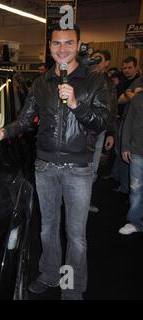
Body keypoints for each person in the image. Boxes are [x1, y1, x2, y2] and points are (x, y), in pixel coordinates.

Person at [0, 25, 109, 300]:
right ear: (50, 47)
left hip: (78, 169)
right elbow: (25, 120)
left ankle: (72, 287)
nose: (62, 48)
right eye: (57, 43)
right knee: (47, 228)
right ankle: (51, 274)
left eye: (68, 43)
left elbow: (103, 122)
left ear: (78, 45)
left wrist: (76, 103)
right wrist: (2, 133)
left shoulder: (95, 81)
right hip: (45, 167)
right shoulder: (41, 83)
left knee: (75, 235)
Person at [89, 50, 118, 213]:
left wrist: (111, 133)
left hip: (99, 132)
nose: (95, 61)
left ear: (107, 62)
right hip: (81, 131)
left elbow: (112, 109)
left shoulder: (109, 83)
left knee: (93, 171)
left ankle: (84, 202)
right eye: (93, 58)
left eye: (99, 59)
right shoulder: (83, 77)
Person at [112, 57, 141, 194]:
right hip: (123, 121)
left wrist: (131, 95)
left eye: (129, 67)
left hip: (136, 123)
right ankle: (124, 187)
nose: (126, 70)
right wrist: (133, 94)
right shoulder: (124, 81)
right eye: (124, 68)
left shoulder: (139, 80)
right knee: (122, 153)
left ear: (136, 67)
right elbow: (119, 99)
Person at [119, 83, 143, 235]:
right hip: (137, 150)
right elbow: (127, 124)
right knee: (136, 188)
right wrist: (125, 146)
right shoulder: (138, 98)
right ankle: (135, 221)